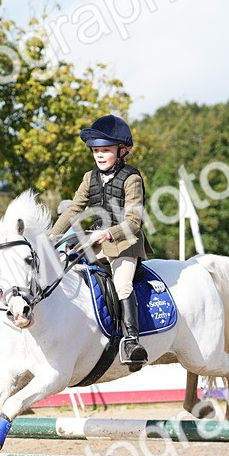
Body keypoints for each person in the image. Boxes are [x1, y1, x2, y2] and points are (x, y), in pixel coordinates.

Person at [50, 115, 151, 370]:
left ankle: (131, 341)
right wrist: (51, 237)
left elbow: (133, 222)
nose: (99, 155)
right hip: (95, 243)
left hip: (125, 242)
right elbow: (73, 210)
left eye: (105, 150)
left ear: (122, 151)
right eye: (96, 150)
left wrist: (107, 234)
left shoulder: (132, 179)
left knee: (122, 284)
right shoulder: (89, 178)